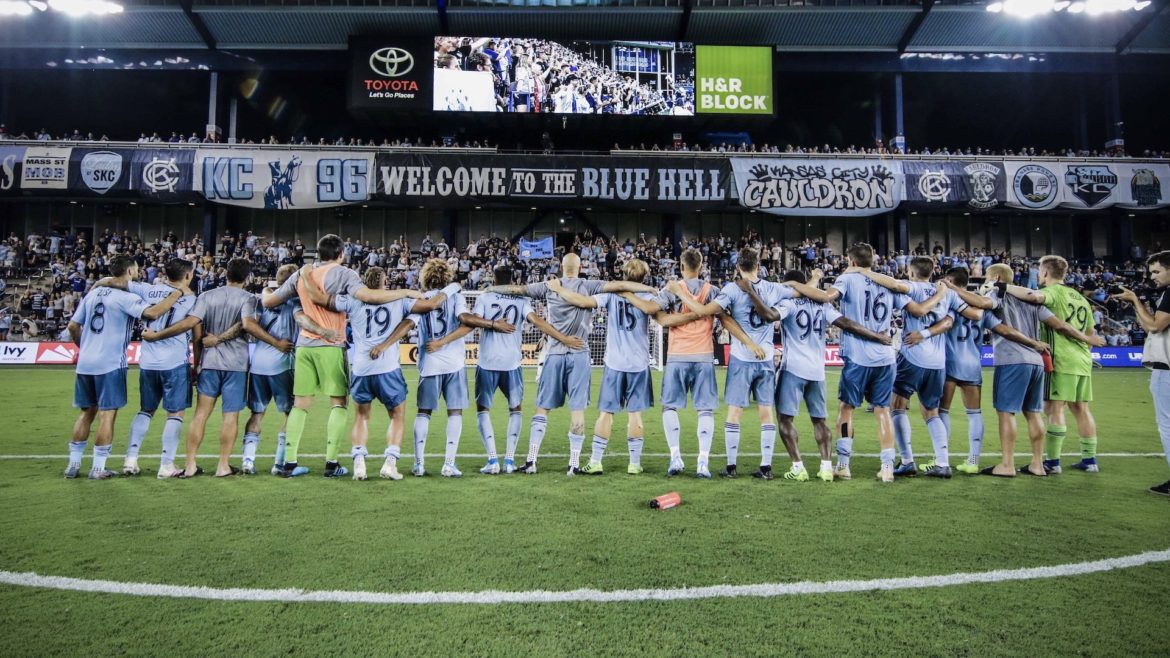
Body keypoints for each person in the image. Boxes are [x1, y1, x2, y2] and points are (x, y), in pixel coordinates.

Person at [483, 252, 657, 474]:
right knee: (578, 410)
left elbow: (519, 290)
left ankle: (531, 461)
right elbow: (621, 284)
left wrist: (491, 289)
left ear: (561, 266)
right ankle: (574, 464)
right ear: (581, 266)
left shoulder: (548, 285)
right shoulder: (590, 284)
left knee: (542, 408)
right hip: (580, 353)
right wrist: (648, 289)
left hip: (555, 353)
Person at [262, 235, 421, 478]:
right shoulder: (346, 274)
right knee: (338, 403)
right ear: (341, 254)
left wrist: (267, 289)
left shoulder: (300, 274)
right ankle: (331, 463)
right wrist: (407, 292)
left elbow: (270, 301)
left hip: (303, 345)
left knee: (300, 405)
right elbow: (368, 297)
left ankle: (289, 463)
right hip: (331, 344)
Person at [425, 267, 584, 474]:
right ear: (513, 280)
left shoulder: (485, 296)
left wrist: (445, 341)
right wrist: (563, 338)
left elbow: (471, 323)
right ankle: (509, 460)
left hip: (487, 362)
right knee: (515, 409)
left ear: (494, 278)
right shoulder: (521, 300)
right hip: (512, 364)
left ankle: (493, 460)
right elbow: (539, 322)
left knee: (483, 410)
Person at [144, 258, 290, 478]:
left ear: (226, 274)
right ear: (248, 277)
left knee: (200, 415)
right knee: (230, 417)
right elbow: (248, 325)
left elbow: (194, 328)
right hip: (236, 365)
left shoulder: (206, 296)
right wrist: (276, 343)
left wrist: (196, 362)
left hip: (210, 363)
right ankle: (223, 466)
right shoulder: (249, 299)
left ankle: (190, 465)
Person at [309, 267, 445, 481]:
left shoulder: (352, 300)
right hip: (387, 368)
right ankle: (390, 463)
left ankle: (359, 464)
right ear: (385, 283)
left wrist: (306, 276)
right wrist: (449, 289)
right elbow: (429, 305)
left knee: (361, 416)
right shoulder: (399, 300)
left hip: (361, 368)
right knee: (397, 415)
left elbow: (320, 299)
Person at [844, 257, 975, 479]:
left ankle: (907, 460)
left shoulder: (913, 287)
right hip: (938, 362)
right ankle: (943, 463)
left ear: (911, 272)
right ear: (933, 271)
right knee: (932, 412)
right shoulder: (949, 292)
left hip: (912, 357)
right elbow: (970, 315)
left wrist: (862, 271)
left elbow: (894, 285)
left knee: (897, 406)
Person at [548, 259, 681, 475]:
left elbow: (581, 302)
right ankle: (634, 463)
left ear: (624, 274)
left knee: (605, 414)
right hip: (638, 363)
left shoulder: (611, 295)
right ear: (644, 277)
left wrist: (559, 289)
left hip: (614, 363)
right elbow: (662, 318)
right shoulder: (649, 297)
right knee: (635, 415)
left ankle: (596, 461)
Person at [669, 247, 792, 480]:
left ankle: (731, 466)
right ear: (759, 265)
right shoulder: (773, 289)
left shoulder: (732, 290)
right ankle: (766, 467)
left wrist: (681, 294)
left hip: (742, 359)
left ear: (737, 267)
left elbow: (705, 311)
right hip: (766, 359)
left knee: (734, 413)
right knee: (766, 413)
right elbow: (794, 293)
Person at [786, 243, 899, 483]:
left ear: (852, 262)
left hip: (859, 356)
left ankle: (844, 465)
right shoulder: (887, 281)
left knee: (847, 408)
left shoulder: (847, 279)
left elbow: (827, 297)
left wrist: (799, 284)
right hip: (886, 356)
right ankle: (887, 467)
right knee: (883, 410)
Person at [974, 264, 1099, 476]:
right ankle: (1038, 464)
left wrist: (960, 292)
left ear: (996, 277)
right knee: (1033, 413)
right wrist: (1087, 339)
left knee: (1006, 412)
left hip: (1012, 359)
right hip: (1037, 361)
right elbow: (1058, 323)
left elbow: (985, 304)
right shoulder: (1030, 298)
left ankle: (1006, 465)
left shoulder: (996, 292)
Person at [65, 255, 183, 480]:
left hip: (85, 363)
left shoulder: (92, 294)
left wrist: (86, 346)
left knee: (86, 412)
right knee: (107, 415)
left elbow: (72, 326)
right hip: (109, 363)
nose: (138, 273)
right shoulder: (125, 297)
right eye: (137, 270)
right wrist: (176, 294)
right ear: (130, 272)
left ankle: (73, 465)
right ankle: (98, 468)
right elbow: (153, 313)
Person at [656, 248, 757, 478]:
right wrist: (748, 341)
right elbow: (726, 319)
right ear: (701, 266)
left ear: (682, 266)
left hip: (677, 356)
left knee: (669, 407)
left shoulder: (671, 289)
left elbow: (656, 313)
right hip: (703, 356)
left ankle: (675, 457)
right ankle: (703, 462)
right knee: (705, 410)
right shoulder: (712, 291)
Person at [1006, 255, 1106, 473]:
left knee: (1054, 408)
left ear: (1045, 272)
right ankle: (1090, 461)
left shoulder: (1052, 293)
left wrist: (1004, 286)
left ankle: (1052, 462)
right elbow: (1091, 332)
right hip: (1083, 360)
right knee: (1081, 409)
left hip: (1061, 358)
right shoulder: (1080, 298)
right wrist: (1084, 353)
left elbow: (1033, 296)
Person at [121, 258, 197, 478]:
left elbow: (119, 281)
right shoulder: (192, 299)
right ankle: (166, 465)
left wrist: (102, 282)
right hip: (175, 362)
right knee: (175, 413)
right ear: (187, 276)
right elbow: (192, 326)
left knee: (146, 409)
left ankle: (130, 459)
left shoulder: (148, 289)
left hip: (148, 362)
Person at [1111, 251, 1170, 496]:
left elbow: (1155, 326)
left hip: (1166, 370)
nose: (1152, 277)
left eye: (1157, 271)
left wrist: (1136, 301)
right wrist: (1138, 303)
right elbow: (1149, 323)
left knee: (1167, 426)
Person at [411, 259, 470, 477]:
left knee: (423, 412)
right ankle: (449, 464)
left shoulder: (421, 299)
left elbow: (410, 323)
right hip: (454, 362)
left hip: (429, 363)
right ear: (447, 277)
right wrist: (444, 342)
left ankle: (419, 464)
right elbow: (466, 324)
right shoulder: (456, 296)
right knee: (455, 411)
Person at [242, 264, 299, 476]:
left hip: (257, 364)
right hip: (283, 365)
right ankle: (280, 463)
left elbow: (249, 325)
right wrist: (277, 343)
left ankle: (248, 461)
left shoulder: (261, 299)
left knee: (257, 413)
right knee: (290, 413)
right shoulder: (296, 302)